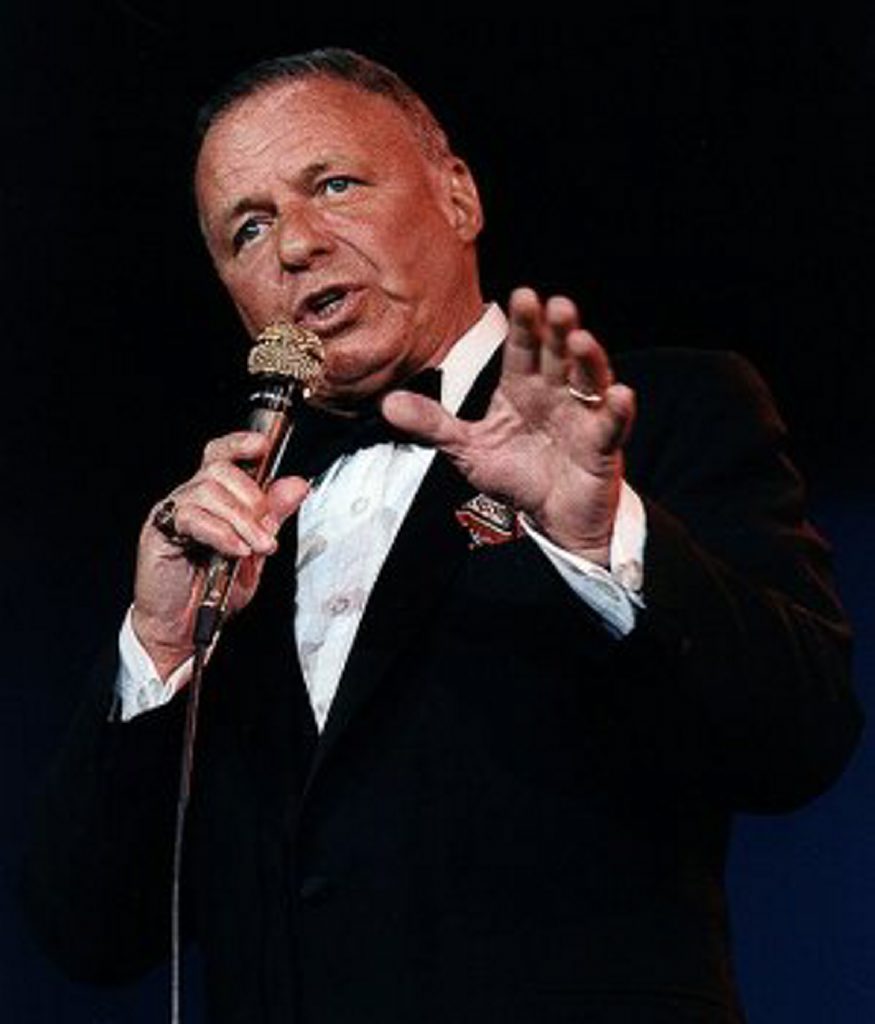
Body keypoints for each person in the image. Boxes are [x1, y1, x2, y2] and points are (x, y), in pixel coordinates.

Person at [24, 48, 862, 1024]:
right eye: (248, 227)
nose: (294, 245)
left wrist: (598, 538)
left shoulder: (654, 414)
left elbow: (797, 738)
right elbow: (88, 931)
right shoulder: (228, 538)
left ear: (457, 197)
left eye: (333, 185)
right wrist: (159, 647)